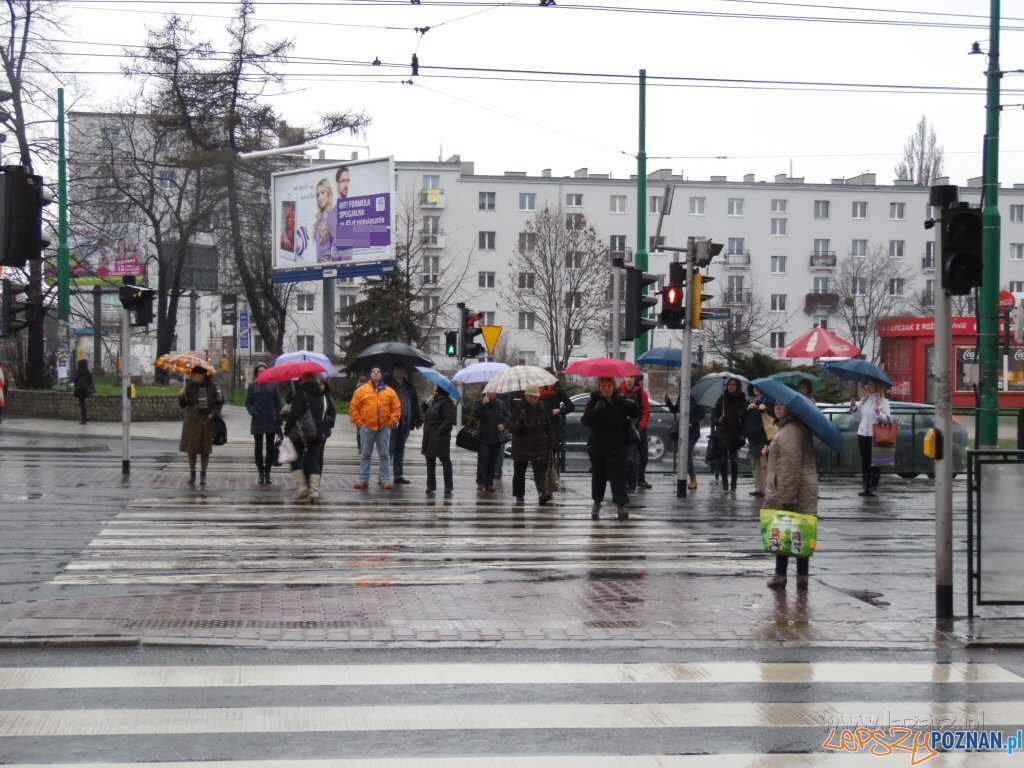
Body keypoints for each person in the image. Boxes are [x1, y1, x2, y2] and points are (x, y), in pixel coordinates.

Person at [762, 399, 819, 590]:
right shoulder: (792, 428)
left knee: (786, 531)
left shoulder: (790, 431)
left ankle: (781, 576)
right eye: (776, 404)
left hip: (794, 490)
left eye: (781, 404)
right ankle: (801, 578)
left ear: (791, 408)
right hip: (801, 487)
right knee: (799, 533)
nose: (777, 407)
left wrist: (786, 498)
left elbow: (789, 467)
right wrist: (771, 454)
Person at [581, 376, 638, 521]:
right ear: (600, 387)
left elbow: (636, 414)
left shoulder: (620, 401)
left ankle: (621, 505)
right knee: (598, 476)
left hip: (618, 446)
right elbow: (585, 420)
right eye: (604, 386)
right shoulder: (594, 401)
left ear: (613, 387)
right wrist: (596, 409)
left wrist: (632, 405)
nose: (607, 388)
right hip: (598, 447)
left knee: (618, 476)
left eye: (609, 385)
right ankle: (597, 503)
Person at [283, 371, 334, 503]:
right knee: (314, 460)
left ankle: (301, 488)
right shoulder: (321, 394)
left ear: (304, 379)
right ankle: (314, 491)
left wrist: (287, 429)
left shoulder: (301, 393)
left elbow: (295, 414)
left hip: (301, 433)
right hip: (317, 433)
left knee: (294, 458)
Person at [350, 367, 401, 490]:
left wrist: (391, 422)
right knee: (365, 454)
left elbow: (396, 408)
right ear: (370, 375)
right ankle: (363, 479)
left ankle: (385, 479)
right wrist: (360, 423)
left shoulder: (390, 392)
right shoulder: (362, 391)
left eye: (378, 371)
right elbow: (353, 407)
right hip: (367, 426)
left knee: (384, 454)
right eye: (373, 371)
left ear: (381, 375)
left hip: (384, 427)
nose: (376, 373)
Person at [508, 383, 556, 505]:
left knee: (539, 471)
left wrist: (552, 440)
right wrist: (520, 420)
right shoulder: (519, 408)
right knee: (519, 472)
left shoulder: (542, 407)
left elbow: (548, 425)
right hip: (521, 446)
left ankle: (542, 493)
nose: (533, 399)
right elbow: (512, 428)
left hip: (538, 445)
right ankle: (519, 495)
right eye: (531, 397)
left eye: (535, 397)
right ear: (526, 396)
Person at [178, 364, 224, 486]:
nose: (193, 377)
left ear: (203, 375)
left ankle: (203, 473)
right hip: (192, 420)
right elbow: (183, 404)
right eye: (192, 374)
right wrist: (182, 395)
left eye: (196, 374)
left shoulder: (213, 387)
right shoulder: (189, 386)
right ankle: (192, 473)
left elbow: (219, 402)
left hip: (206, 420)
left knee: (205, 449)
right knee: (191, 449)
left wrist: (212, 415)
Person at [850, 379, 892, 497]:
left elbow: (888, 420)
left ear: (876, 387)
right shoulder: (864, 400)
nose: (868, 387)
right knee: (865, 462)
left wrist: (879, 414)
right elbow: (858, 418)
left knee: (875, 463)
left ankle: (873, 487)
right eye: (868, 384)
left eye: (871, 385)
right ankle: (866, 487)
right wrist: (853, 408)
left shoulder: (883, 402)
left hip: (875, 435)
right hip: (862, 434)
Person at [246, 362, 282, 486]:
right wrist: (252, 411)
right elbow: (249, 402)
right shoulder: (252, 386)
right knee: (258, 447)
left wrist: (279, 419)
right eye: (259, 371)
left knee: (270, 447)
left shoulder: (273, 385)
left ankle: (268, 471)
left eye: (264, 370)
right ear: (256, 373)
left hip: (271, 419)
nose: (261, 373)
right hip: (258, 419)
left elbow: (278, 403)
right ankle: (260, 470)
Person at [387, 363, 423, 485]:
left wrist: (418, 419)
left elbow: (414, 402)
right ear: (393, 370)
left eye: (403, 370)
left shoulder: (409, 385)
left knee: (400, 449)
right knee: (389, 449)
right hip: (392, 422)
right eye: (398, 369)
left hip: (406, 422)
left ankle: (398, 475)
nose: (401, 372)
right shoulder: (388, 383)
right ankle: (385, 475)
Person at [711, 377, 747, 493]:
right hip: (722, 433)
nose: (730, 387)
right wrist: (719, 420)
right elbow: (714, 417)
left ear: (737, 386)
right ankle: (725, 484)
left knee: (733, 460)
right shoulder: (722, 399)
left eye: (733, 385)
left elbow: (743, 417)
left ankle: (733, 485)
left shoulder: (742, 400)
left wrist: (742, 435)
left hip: (735, 432)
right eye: (729, 385)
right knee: (722, 460)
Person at [665, 386, 705, 491]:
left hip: (693, 432)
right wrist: (667, 400)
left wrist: (692, 422)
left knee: (687, 454)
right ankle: (687, 477)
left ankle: (693, 479)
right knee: (684, 454)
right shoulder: (681, 397)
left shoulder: (697, 398)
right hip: (682, 431)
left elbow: (702, 413)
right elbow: (674, 410)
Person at [421, 385, 457, 496]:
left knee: (444, 459)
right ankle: (430, 485)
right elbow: (431, 416)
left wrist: (439, 432)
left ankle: (448, 486)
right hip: (429, 434)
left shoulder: (446, 402)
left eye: (435, 386)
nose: (434, 388)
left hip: (440, 435)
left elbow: (448, 419)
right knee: (430, 459)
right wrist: (426, 407)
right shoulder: (436, 400)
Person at [473, 390, 510, 492]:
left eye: (494, 390)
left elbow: (507, 417)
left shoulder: (500, 403)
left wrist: (504, 424)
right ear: (486, 392)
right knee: (483, 459)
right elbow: (475, 415)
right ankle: (481, 482)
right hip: (483, 437)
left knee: (492, 461)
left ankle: (489, 483)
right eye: (491, 390)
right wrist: (482, 404)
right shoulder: (480, 402)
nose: (493, 392)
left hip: (496, 438)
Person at [620, 375, 651, 492]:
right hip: (627, 429)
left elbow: (646, 411)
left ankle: (640, 478)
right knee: (630, 457)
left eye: (631, 377)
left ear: (635, 379)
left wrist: (641, 427)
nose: (628, 379)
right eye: (627, 377)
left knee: (644, 455)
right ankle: (629, 480)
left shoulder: (641, 394)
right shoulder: (619, 393)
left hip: (639, 428)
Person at [744, 385, 773, 498]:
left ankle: (767, 488)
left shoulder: (767, 401)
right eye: (754, 388)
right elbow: (740, 414)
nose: (756, 389)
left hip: (763, 437)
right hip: (752, 437)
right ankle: (758, 487)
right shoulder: (749, 401)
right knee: (755, 463)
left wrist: (764, 408)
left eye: (758, 388)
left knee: (764, 463)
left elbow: (773, 414)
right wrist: (748, 408)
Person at [312, 178, 335, 262]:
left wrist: (332, 261)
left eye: (322, 193)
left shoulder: (331, 216)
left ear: (329, 194)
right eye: (318, 195)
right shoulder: (321, 218)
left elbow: (339, 242)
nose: (319, 198)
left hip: (329, 271)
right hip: (320, 269)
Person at [73, 359, 94, 425]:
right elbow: (90, 381)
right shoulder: (87, 372)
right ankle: (85, 417)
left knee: (82, 405)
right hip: (85, 390)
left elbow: (75, 380)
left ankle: (84, 419)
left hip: (80, 390)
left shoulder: (79, 371)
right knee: (83, 405)